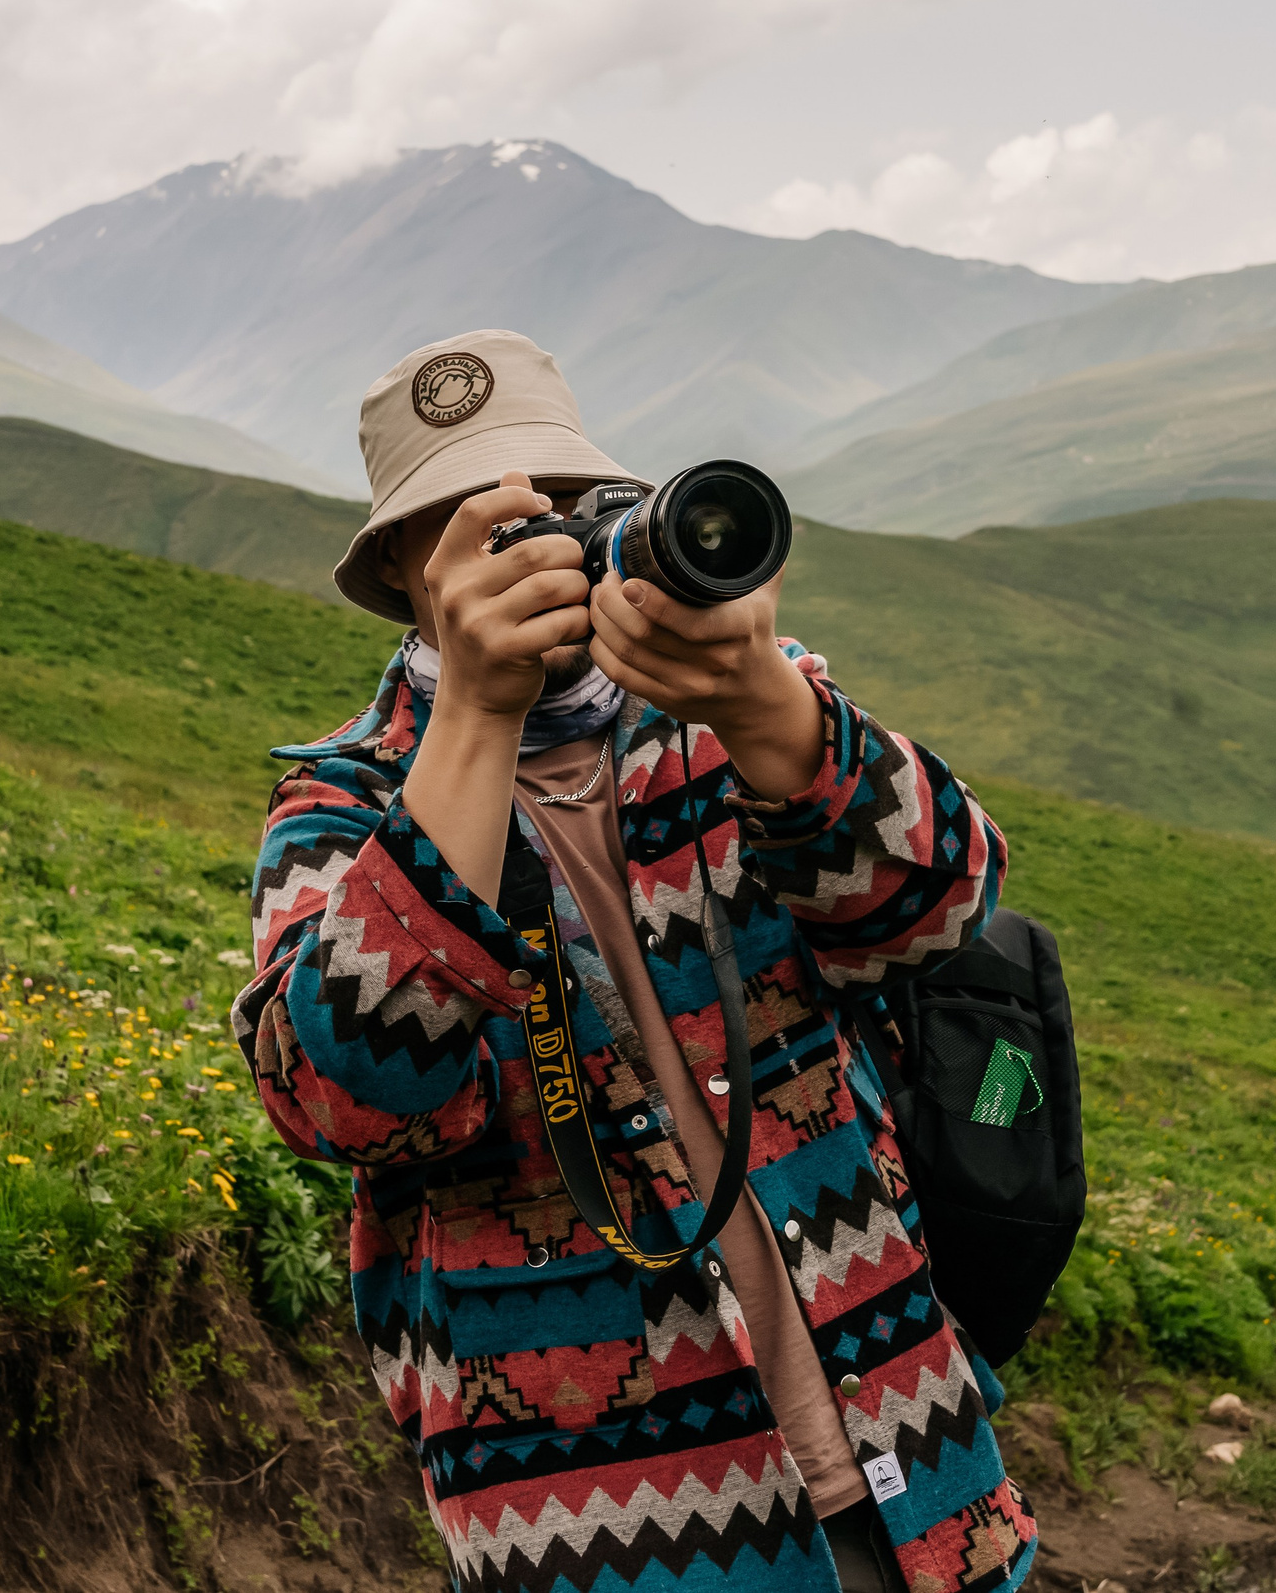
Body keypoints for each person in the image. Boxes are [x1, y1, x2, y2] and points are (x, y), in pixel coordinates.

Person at [232, 330, 1034, 1593]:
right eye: (482, 520)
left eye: (568, 505)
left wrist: (768, 704)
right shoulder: (343, 802)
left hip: (910, 1464)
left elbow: (939, 908)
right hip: (604, 1530)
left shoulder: (730, 714)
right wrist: (477, 719)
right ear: (404, 565)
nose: (542, 541)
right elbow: (341, 1097)